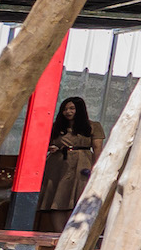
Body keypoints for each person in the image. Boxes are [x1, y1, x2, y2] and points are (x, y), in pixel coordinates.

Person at [35, 95, 100, 235]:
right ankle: (59, 234)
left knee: (77, 198)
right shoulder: (56, 127)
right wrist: (51, 147)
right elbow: (41, 144)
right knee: (56, 200)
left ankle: (73, 234)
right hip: (58, 164)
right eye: (65, 109)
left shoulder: (93, 126)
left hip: (82, 164)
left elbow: (98, 148)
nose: (68, 112)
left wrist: (97, 167)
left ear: (80, 110)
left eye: (72, 108)